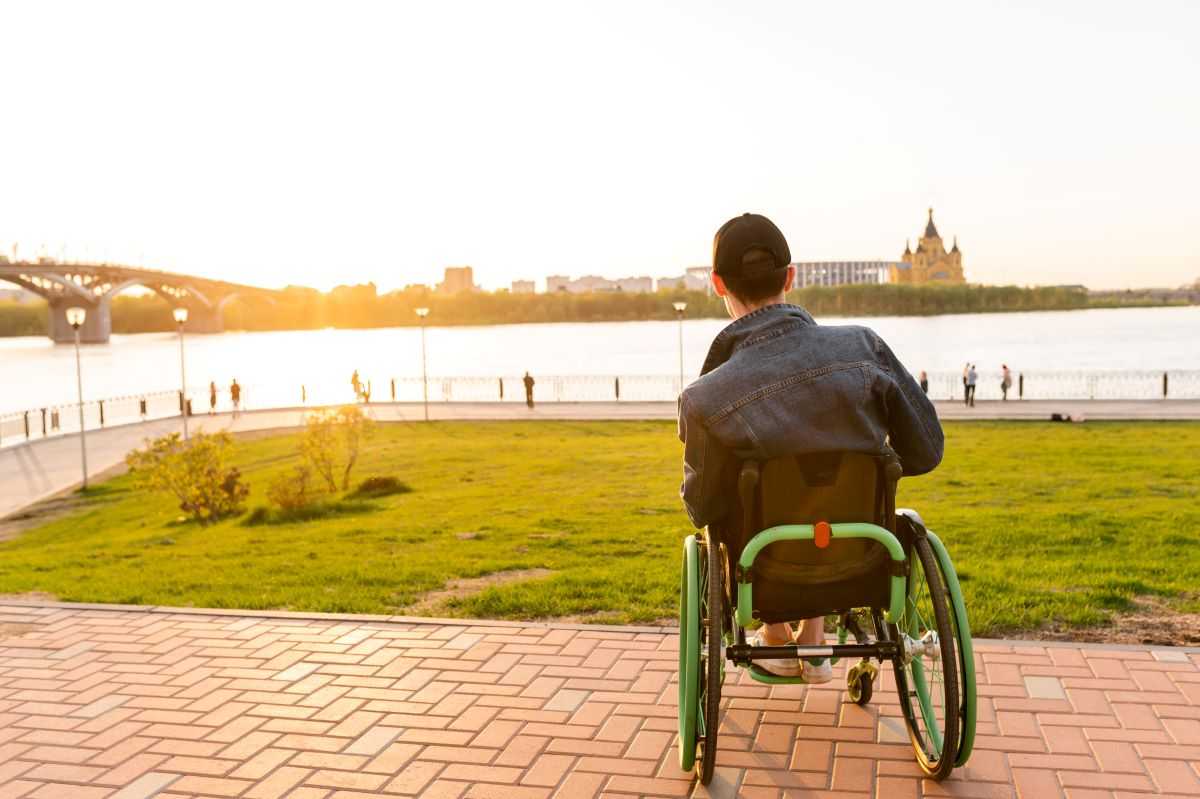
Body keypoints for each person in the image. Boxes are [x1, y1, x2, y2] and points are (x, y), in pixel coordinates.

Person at [678, 213, 943, 682]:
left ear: (718, 284)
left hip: (766, 565)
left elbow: (703, 509)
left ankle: (778, 635)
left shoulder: (704, 397)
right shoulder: (864, 346)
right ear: (791, 276)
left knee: (741, 492)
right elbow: (925, 451)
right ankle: (814, 637)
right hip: (864, 552)